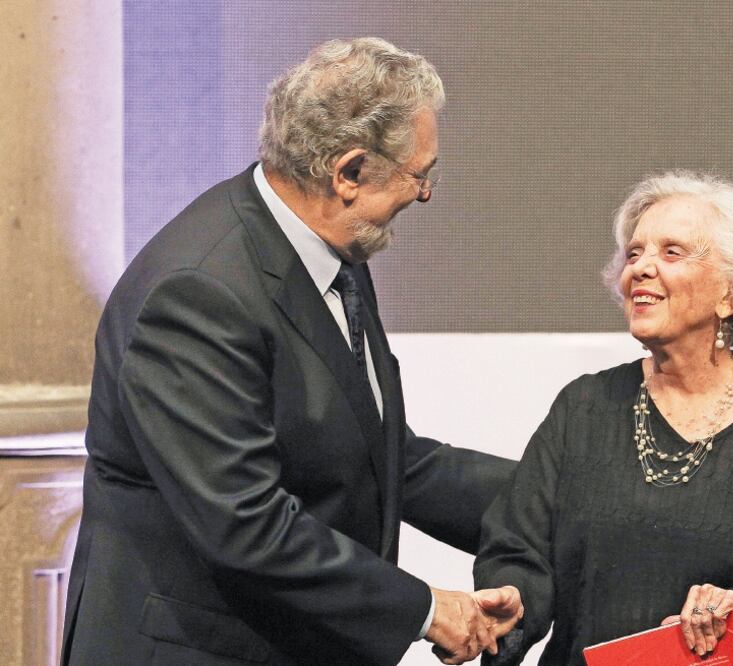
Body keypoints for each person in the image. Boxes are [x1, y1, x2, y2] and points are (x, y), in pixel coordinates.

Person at [62, 38, 521, 666]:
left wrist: (561, 492)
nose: (425, 194)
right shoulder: (199, 291)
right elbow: (245, 522)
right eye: (419, 175)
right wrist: (426, 610)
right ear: (350, 172)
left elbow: (382, 458)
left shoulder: (332, 245)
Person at [474, 170, 733, 665]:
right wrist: (512, 602)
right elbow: (518, 549)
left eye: (671, 253)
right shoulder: (584, 407)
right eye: (634, 253)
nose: (640, 268)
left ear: (731, 291)